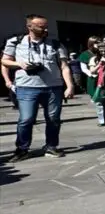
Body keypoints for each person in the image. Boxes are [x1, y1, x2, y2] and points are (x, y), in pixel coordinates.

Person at [1, 14, 75, 160]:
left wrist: (70, 85)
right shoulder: (15, 42)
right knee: (26, 119)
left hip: (53, 86)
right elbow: (4, 61)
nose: (45, 28)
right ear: (30, 26)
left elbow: (64, 66)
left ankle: (51, 146)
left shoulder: (55, 44)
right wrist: (19, 64)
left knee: (53, 118)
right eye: (41, 26)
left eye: (46, 25)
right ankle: (22, 149)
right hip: (26, 87)